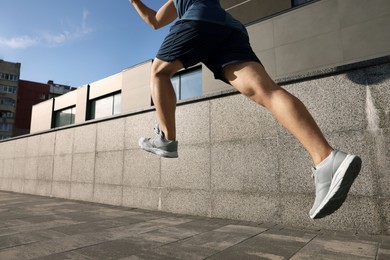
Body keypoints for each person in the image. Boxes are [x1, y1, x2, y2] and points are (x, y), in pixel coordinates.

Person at [129, 0, 362, 219]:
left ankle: (167, 140)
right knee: (266, 92)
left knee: (159, 72)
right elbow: (155, 21)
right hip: (227, 29)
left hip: (199, 21)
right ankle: (326, 159)